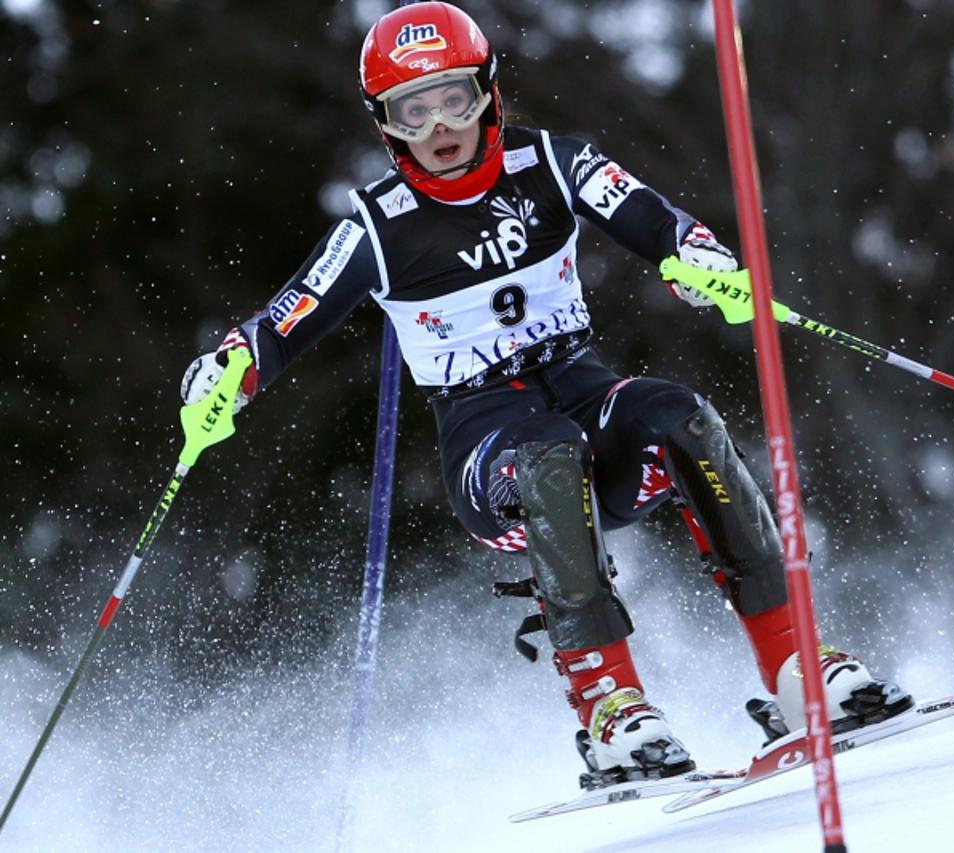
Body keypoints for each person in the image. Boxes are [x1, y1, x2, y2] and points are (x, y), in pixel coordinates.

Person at [180, 1, 912, 788]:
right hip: (488, 447)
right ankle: (610, 708)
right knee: (547, 451)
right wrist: (226, 374)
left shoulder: (554, 164)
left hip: (584, 396)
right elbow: (282, 322)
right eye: (411, 111)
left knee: (681, 417)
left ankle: (796, 663)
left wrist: (705, 264)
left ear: (489, 92)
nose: (438, 128)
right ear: (385, 126)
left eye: (454, 98)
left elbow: (653, 219)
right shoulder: (376, 226)